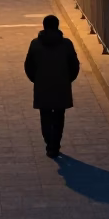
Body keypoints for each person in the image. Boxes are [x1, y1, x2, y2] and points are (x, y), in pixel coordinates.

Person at [24, 14, 80, 158]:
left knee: (45, 115)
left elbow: (28, 65)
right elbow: (74, 66)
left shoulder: (35, 44)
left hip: (42, 86)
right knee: (59, 117)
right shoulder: (67, 44)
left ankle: (49, 143)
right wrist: (68, 79)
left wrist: (36, 79)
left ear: (44, 26)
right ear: (57, 26)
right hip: (62, 86)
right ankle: (55, 144)